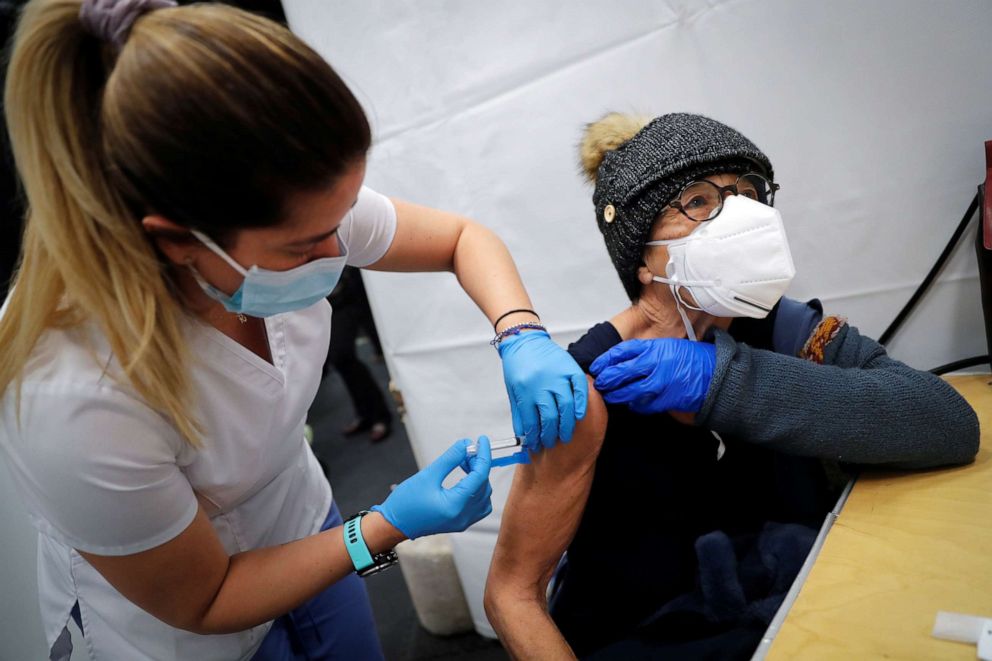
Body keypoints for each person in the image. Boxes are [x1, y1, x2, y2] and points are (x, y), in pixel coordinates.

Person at [0, 1, 588, 659]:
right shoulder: (69, 394)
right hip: (177, 634)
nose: (341, 251)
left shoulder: (290, 210)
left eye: (341, 219)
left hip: (300, 518)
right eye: (307, 245)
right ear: (173, 241)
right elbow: (205, 598)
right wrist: (386, 527)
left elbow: (462, 238)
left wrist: (521, 333)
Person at [484, 112, 980, 659]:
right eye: (697, 200)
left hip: (795, 622)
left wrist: (727, 382)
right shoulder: (587, 385)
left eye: (748, 192)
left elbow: (947, 424)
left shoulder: (790, 332)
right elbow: (512, 595)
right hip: (639, 639)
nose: (740, 216)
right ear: (641, 258)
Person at [324, 266, 392, 442]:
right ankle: (365, 413)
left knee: (342, 355)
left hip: (344, 294)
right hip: (325, 299)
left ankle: (379, 415)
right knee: (341, 361)